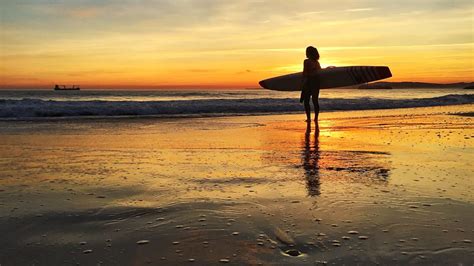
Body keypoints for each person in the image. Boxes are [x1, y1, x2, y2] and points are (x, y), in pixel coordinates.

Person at [300, 46, 321, 122]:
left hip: (308, 82)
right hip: (316, 82)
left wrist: (302, 82)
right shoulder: (317, 62)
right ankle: (316, 118)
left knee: (306, 101)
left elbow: (305, 73)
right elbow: (319, 73)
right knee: (315, 101)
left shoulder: (306, 61)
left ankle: (308, 118)